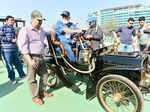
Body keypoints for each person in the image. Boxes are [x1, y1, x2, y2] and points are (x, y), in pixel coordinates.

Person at [17, 10, 52, 105]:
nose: (40, 22)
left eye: (41, 20)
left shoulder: (42, 30)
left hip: (41, 56)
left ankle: (42, 92)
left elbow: (51, 31)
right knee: (32, 79)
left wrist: (53, 32)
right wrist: (30, 60)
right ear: (32, 19)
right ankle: (35, 97)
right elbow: (23, 47)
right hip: (31, 57)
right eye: (38, 20)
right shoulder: (25, 30)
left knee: (45, 75)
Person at [0, 15, 26, 84]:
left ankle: (22, 75)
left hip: (14, 49)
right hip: (6, 50)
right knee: (9, 65)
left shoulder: (13, 28)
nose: (13, 21)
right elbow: (1, 38)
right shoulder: (3, 28)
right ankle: (12, 79)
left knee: (18, 63)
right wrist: (11, 40)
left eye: (13, 20)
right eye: (11, 20)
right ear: (6, 21)